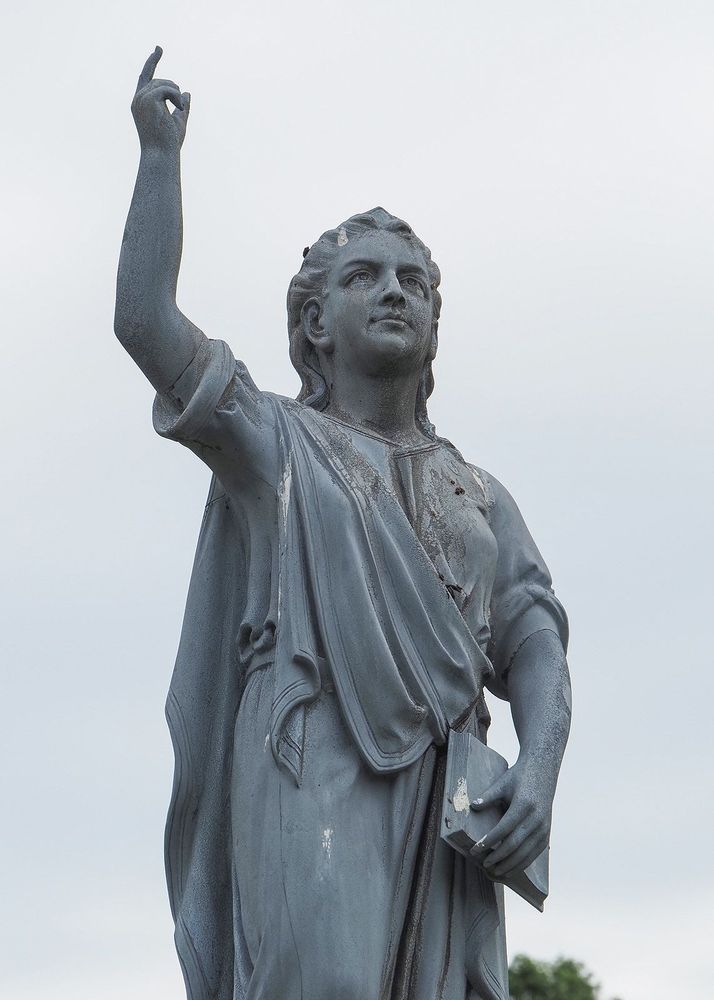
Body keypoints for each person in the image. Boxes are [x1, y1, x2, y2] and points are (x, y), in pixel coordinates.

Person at [115, 48, 572, 1000]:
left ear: (436, 324)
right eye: (366, 277)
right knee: (319, 983)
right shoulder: (274, 441)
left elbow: (533, 640)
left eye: (414, 281)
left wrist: (537, 770)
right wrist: (160, 159)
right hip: (313, 757)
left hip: (452, 790)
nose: (396, 291)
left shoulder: (478, 492)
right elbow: (147, 325)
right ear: (315, 323)